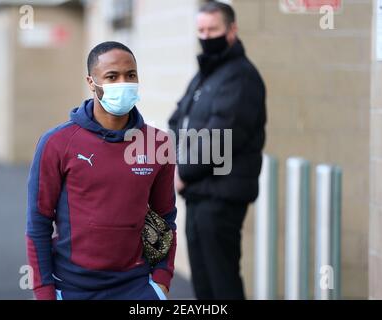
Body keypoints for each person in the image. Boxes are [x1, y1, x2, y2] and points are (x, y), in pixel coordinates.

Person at [26, 41, 177, 300]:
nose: (123, 83)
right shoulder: (57, 143)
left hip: (137, 288)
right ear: (91, 82)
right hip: (72, 287)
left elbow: (166, 217)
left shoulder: (158, 143)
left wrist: (162, 280)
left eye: (130, 75)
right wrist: (43, 291)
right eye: (112, 76)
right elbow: (38, 222)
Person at [168, 1, 266, 300]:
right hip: (199, 194)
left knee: (222, 282)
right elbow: (177, 119)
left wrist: (181, 174)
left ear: (232, 30)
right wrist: (172, 161)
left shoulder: (240, 76)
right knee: (204, 283)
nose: (207, 36)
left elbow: (220, 138)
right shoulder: (206, 76)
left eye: (213, 29)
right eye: (201, 30)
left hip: (221, 197)